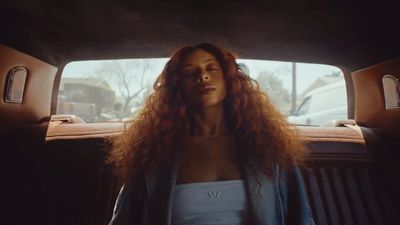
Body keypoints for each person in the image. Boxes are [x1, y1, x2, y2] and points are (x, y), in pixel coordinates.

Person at [107, 43, 315, 225]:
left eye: (211, 68)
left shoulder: (266, 145)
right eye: (190, 73)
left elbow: (301, 218)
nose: (203, 76)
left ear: (228, 79)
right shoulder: (153, 152)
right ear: (177, 87)